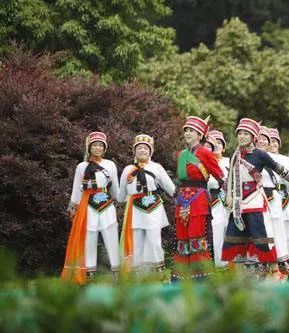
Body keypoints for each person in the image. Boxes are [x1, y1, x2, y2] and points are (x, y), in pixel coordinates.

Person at [222, 118, 289, 279]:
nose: (241, 136)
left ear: (253, 137)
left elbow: (278, 169)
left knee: (262, 236)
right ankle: (242, 276)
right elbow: (230, 180)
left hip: (255, 200)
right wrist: (227, 196)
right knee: (238, 238)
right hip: (239, 203)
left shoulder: (260, 154)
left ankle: (272, 272)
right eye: (239, 133)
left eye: (245, 133)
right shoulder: (234, 156)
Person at [62, 132, 120, 284]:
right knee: (89, 239)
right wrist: (72, 208)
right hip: (88, 206)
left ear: (105, 148)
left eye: (101, 145)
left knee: (112, 238)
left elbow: (115, 190)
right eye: (95, 145)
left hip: (107, 204)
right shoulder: (81, 167)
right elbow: (77, 190)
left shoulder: (110, 165)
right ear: (89, 148)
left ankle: (117, 274)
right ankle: (89, 276)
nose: (98, 148)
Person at [173, 116, 225, 280]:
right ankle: (181, 277)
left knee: (197, 237)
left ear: (200, 135)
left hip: (198, 199)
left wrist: (229, 195)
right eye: (186, 130)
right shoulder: (181, 155)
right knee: (182, 237)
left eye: (192, 131)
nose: (188, 133)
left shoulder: (205, 153)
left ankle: (201, 277)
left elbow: (220, 176)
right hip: (182, 200)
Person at [119, 134, 176, 275]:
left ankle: (159, 274)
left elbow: (170, 188)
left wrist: (183, 200)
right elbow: (120, 196)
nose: (143, 150)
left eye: (146, 148)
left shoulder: (157, 167)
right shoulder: (127, 169)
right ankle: (139, 276)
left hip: (153, 208)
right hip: (135, 210)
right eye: (139, 148)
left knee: (154, 241)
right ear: (134, 151)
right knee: (137, 243)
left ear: (150, 151)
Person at [269, 127, 289, 275]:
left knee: (287, 230)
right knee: (272, 231)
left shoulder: (286, 160)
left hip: (284, 197)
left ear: (279, 143)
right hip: (268, 196)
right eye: (271, 141)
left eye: (276, 141)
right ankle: (274, 265)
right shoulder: (262, 156)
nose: (273, 144)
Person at [205, 130, 230, 270]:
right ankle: (218, 265)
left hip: (229, 201)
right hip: (213, 200)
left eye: (220, 142)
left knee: (229, 232)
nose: (218, 145)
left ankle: (231, 265)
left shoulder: (229, 161)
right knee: (216, 231)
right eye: (214, 143)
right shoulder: (205, 161)